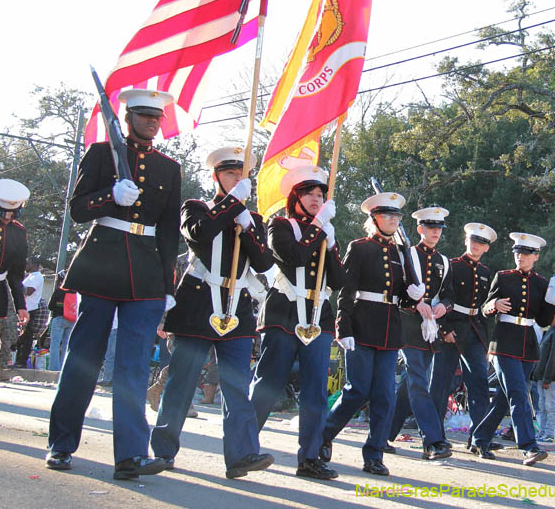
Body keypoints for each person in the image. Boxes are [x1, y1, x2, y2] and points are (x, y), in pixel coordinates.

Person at [47, 89, 181, 480]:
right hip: (101, 264)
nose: (153, 123)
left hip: (145, 274)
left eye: (157, 118)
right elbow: (76, 208)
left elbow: (169, 230)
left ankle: (131, 455)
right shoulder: (101, 154)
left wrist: (168, 282)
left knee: (134, 368)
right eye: (145, 117)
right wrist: (110, 196)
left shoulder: (168, 168)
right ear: (128, 117)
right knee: (82, 361)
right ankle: (61, 444)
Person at [151, 146, 275, 479]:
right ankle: (163, 451)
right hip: (198, 302)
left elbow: (264, 263)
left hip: (236, 307)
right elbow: (199, 233)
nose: (237, 180)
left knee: (237, 385)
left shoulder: (254, 220)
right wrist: (232, 204)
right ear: (216, 177)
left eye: (241, 175)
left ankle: (242, 454)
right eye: (231, 174)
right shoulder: (197, 208)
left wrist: (249, 227)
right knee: (182, 382)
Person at [250, 164, 346, 480]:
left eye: (321, 194)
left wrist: (331, 245)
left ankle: (310, 458)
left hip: (318, 316)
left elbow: (339, 279)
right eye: (311, 194)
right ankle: (243, 446)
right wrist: (318, 227)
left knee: (316, 390)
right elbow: (291, 256)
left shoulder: (325, 232)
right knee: (269, 382)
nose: (317, 199)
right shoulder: (281, 224)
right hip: (284, 312)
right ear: (297, 197)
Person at [320, 192, 424, 477]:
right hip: (362, 327)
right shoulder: (360, 247)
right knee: (357, 390)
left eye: (396, 216)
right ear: (374, 218)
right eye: (387, 215)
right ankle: (324, 434)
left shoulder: (401, 253)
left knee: (385, 397)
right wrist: (344, 328)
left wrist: (412, 295)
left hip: (390, 330)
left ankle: (375, 453)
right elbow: (347, 291)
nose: (393, 220)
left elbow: (399, 295)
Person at [469, 232, 555, 466]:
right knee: (520, 395)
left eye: (526, 253)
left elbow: (542, 320)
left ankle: (479, 439)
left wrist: (554, 304)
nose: (521, 257)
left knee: (504, 399)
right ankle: (529, 446)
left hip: (528, 345)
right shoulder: (503, 277)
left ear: (536, 257)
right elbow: (483, 309)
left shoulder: (542, 283)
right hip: (504, 343)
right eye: (518, 253)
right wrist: (493, 305)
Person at [388, 206, 454, 460]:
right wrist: (415, 302)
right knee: (418, 380)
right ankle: (433, 440)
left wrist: (442, 307)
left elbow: (449, 294)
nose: (435, 232)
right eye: (430, 227)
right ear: (419, 229)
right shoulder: (407, 254)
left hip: (430, 328)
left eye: (438, 228)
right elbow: (395, 286)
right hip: (407, 324)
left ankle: (383, 434)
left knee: (410, 385)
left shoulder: (444, 261)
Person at [430, 222, 498, 451]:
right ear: (465, 241)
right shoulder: (451, 266)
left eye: (482, 243)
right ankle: (434, 435)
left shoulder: (486, 272)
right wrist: (443, 329)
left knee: (479, 384)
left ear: (487, 248)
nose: (476, 246)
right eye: (473, 240)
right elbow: (438, 298)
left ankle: (479, 438)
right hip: (451, 328)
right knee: (440, 384)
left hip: (474, 330)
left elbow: (483, 306)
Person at [0, 179, 30, 373]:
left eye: (12, 214)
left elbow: (15, 274)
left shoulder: (19, 233)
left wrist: (21, 306)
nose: (7, 218)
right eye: (4, 213)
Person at [534, 312, 555, 443]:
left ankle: (549, 433)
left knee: (550, 404)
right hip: (543, 375)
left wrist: (547, 378)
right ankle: (542, 431)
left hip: (550, 377)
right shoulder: (551, 331)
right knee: (542, 405)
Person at [15, 257, 47, 368]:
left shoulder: (37, 277)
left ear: (34, 265)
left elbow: (29, 291)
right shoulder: (30, 276)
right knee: (20, 336)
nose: (26, 265)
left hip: (29, 309)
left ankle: (22, 361)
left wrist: (16, 286)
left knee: (26, 336)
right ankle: (18, 360)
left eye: (27, 263)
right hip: (23, 309)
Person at [47, 272, 77, 371]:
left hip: (59, 318)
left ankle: (54, 369)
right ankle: (65, 368)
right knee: (67, 345)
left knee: (55, 344)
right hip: (72, 320)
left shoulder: (59, 291)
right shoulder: (75, 292)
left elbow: (50, 306)